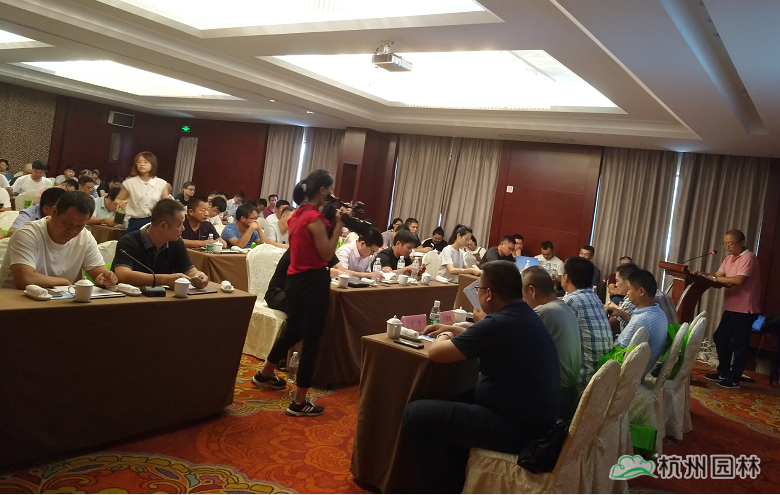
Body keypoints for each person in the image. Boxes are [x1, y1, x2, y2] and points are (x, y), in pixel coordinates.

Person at [403, 261, 560, 494]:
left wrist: (445, 334)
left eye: (479, 289)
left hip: (514, 428)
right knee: (452, 398)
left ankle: (442, 488)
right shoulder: (524, 314)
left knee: (415, 414)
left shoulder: (498, 322)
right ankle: (458, 476)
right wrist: (456, 330)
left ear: (488, 294)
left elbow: (436, 353)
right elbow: (488, 336)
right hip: (534, 420)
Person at [252, 169, 344, 417]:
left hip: (294, 280)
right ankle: (299, 401)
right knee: (312, 340)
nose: (332, 193)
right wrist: (338, 225)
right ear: (322, 190)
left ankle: (265, 374)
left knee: (293, 330)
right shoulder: (314, 218)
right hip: (312, 282)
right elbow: (327, 254)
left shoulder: (298, 214)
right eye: (330, 189)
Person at [0, 191, 117, 289]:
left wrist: (105, 278)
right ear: (54, 212)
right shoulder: (28, 234)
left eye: (79, 226)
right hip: (15, 302)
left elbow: (99, 272)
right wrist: (64, 282)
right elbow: (25, 279)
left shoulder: (85, 237)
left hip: (57, 302)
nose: (72, 231)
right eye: (68, 224)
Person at [697, 229, 762, 389]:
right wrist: (702, 275)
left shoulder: (748, 257)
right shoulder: (728, 259)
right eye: (725, 244)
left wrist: (714, 277)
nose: (728, 247)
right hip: (731, 307)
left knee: (739, 344)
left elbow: (739, 280)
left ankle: (734, 377)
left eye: (731, 244)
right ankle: (723, 371)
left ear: (742, 243)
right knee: (720, 337)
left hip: (745, 309)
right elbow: (717, 276)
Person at [521, 265, 582, 415]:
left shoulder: (542, 312)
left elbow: (513, 345)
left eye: (522, 295)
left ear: (531, 290)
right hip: (571, 394)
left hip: (553, 398)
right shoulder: (565, 308)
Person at [113, 199, 209, 288]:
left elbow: (189, 270)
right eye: (179, 225)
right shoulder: (129, 241)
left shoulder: (176, 243)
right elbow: (122, 275)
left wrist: (198, 275)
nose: (183, 229)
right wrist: (165, 280)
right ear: (163, 225)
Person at [561, 256, 613, 385]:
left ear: (566, 277)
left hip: (584, 378)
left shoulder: (571, 301)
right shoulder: (594, 297)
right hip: (602, 373)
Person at [616, 270, 668, 376]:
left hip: (626, 375)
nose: (627, 293)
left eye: (629, 289)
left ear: (641, 291)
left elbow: (620, 351)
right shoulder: (659, 312)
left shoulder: (641, 320)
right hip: (641, 370)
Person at [116, 152, 169, 233]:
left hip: (155, 221)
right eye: (139, 162)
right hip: (135, 221)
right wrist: (120, 202)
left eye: (146, 162)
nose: (142, 164)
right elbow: (118, 199)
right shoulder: (129, 183)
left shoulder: (161, 184)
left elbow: (166, 205)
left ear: (152, 164)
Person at [222, 204, 286, 249]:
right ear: (243, 218)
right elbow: (239, 245)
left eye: (256, 218)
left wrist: (259, 229)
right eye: (252, 218)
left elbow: (265, 246)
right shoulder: (229, 229)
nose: (255, 221)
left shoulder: (253, 231)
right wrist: (251, 228)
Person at [605, 262, 641, 333]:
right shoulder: (628, 298)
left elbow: (613, 325)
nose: (616, 284)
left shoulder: (632, 300)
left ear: (627, 281)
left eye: (617, 281)